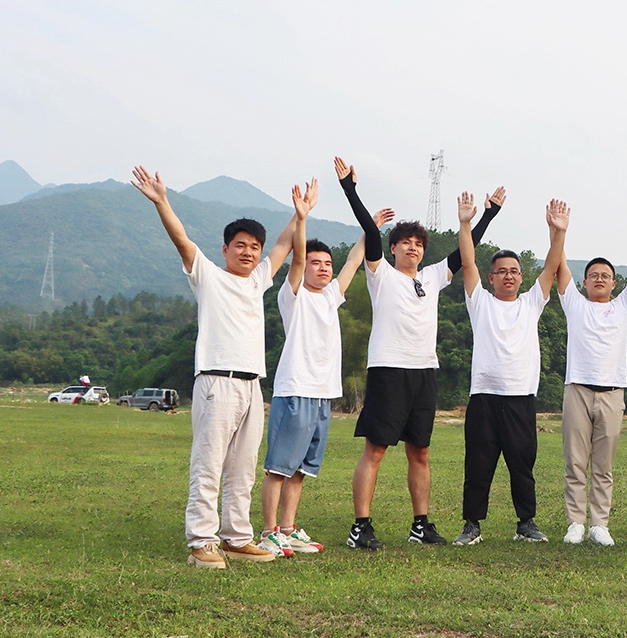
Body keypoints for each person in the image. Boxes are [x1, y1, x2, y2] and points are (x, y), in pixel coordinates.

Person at [132, 164, 301, 569]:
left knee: (243, 468)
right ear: (225, 249)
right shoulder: (207, 274)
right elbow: (181, 240)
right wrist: (162, 202)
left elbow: (283, 244)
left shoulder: (259, 280)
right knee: (208, 464)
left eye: (253, 247)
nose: (249, 251)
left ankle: (237, 537)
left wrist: (300, 214)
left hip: (251, 385)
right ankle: (201, 541)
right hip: (216, 382)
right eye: (240, 245)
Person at [334, 157, 503, 550]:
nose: (413, 247)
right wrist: (350, 190)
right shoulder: (381, 274)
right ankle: (361, 526)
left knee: (421, 451)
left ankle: (420, 524)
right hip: (388, 369)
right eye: (406, 242)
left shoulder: (431, 277)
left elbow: (465, 253)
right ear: (393, 248)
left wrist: (486, 215)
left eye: (418, 244)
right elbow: (368, 236)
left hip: (424, 371)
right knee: (375, 449)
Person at [256, 179, 386, 558]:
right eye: (317, 263)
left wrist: (370, 229)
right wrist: (302, 218)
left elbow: (354, 260)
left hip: (322, 395)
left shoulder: (331, 297)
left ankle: (288, 529)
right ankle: (267, 533)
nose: (324, 268)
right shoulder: (292, 296)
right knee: (279, 467)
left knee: (300, 469)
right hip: (295, 390)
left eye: (326, 263)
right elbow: (294, 258)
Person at [452, 191, 569, 546]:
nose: (508, 276)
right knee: (478, 464)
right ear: (490, 278)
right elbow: (467, 262)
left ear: (521, 277)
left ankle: (526, 523)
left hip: (520, 397)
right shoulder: (480, 303)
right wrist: (465, 222)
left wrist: (559, 231)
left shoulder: (532, 302)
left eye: (514, 271)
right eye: (501, 271)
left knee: (522, 464)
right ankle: (472, 525)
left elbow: (551, 266)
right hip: (484, 396)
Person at [556, 209, 627, 546]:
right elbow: (558, 265)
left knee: (603, 465)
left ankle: (599, 523)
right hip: (578, 390)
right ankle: (575, 521)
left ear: (615, 282)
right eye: (593, 275)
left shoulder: (623, 304)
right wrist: (559, 232)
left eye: (605, 275)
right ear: (584, 282)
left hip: (613, 393)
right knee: (575, 462)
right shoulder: (574, 303)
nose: (599, 279)